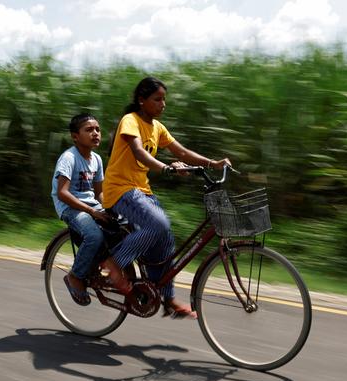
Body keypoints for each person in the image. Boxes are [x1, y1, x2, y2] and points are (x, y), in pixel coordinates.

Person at [100, 76, 231, 319]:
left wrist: (212, 163)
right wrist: (166, 168)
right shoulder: (131, 121)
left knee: (165, 238)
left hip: (141, 191)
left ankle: (167, 298)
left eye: (164, 100)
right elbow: (138, 151)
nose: (163, 104)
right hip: (119, 189)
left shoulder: (157, 128)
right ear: (142, 101)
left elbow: (181, 151)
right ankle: (114, 263)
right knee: (159, 224)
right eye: (157, 99)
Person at [51, 113, 109, 306]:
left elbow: (99, 193)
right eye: (89, 130)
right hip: (70, 207)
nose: (95, 133)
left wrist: (108, 209)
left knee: (123, 226)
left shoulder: (97, 160)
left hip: (90, 205)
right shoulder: (69, 158)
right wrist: (93, 212)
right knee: (94, 236)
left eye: (98, 129)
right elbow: (62, 193)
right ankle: (75, 276)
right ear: (75, 136)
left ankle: (97, 268)